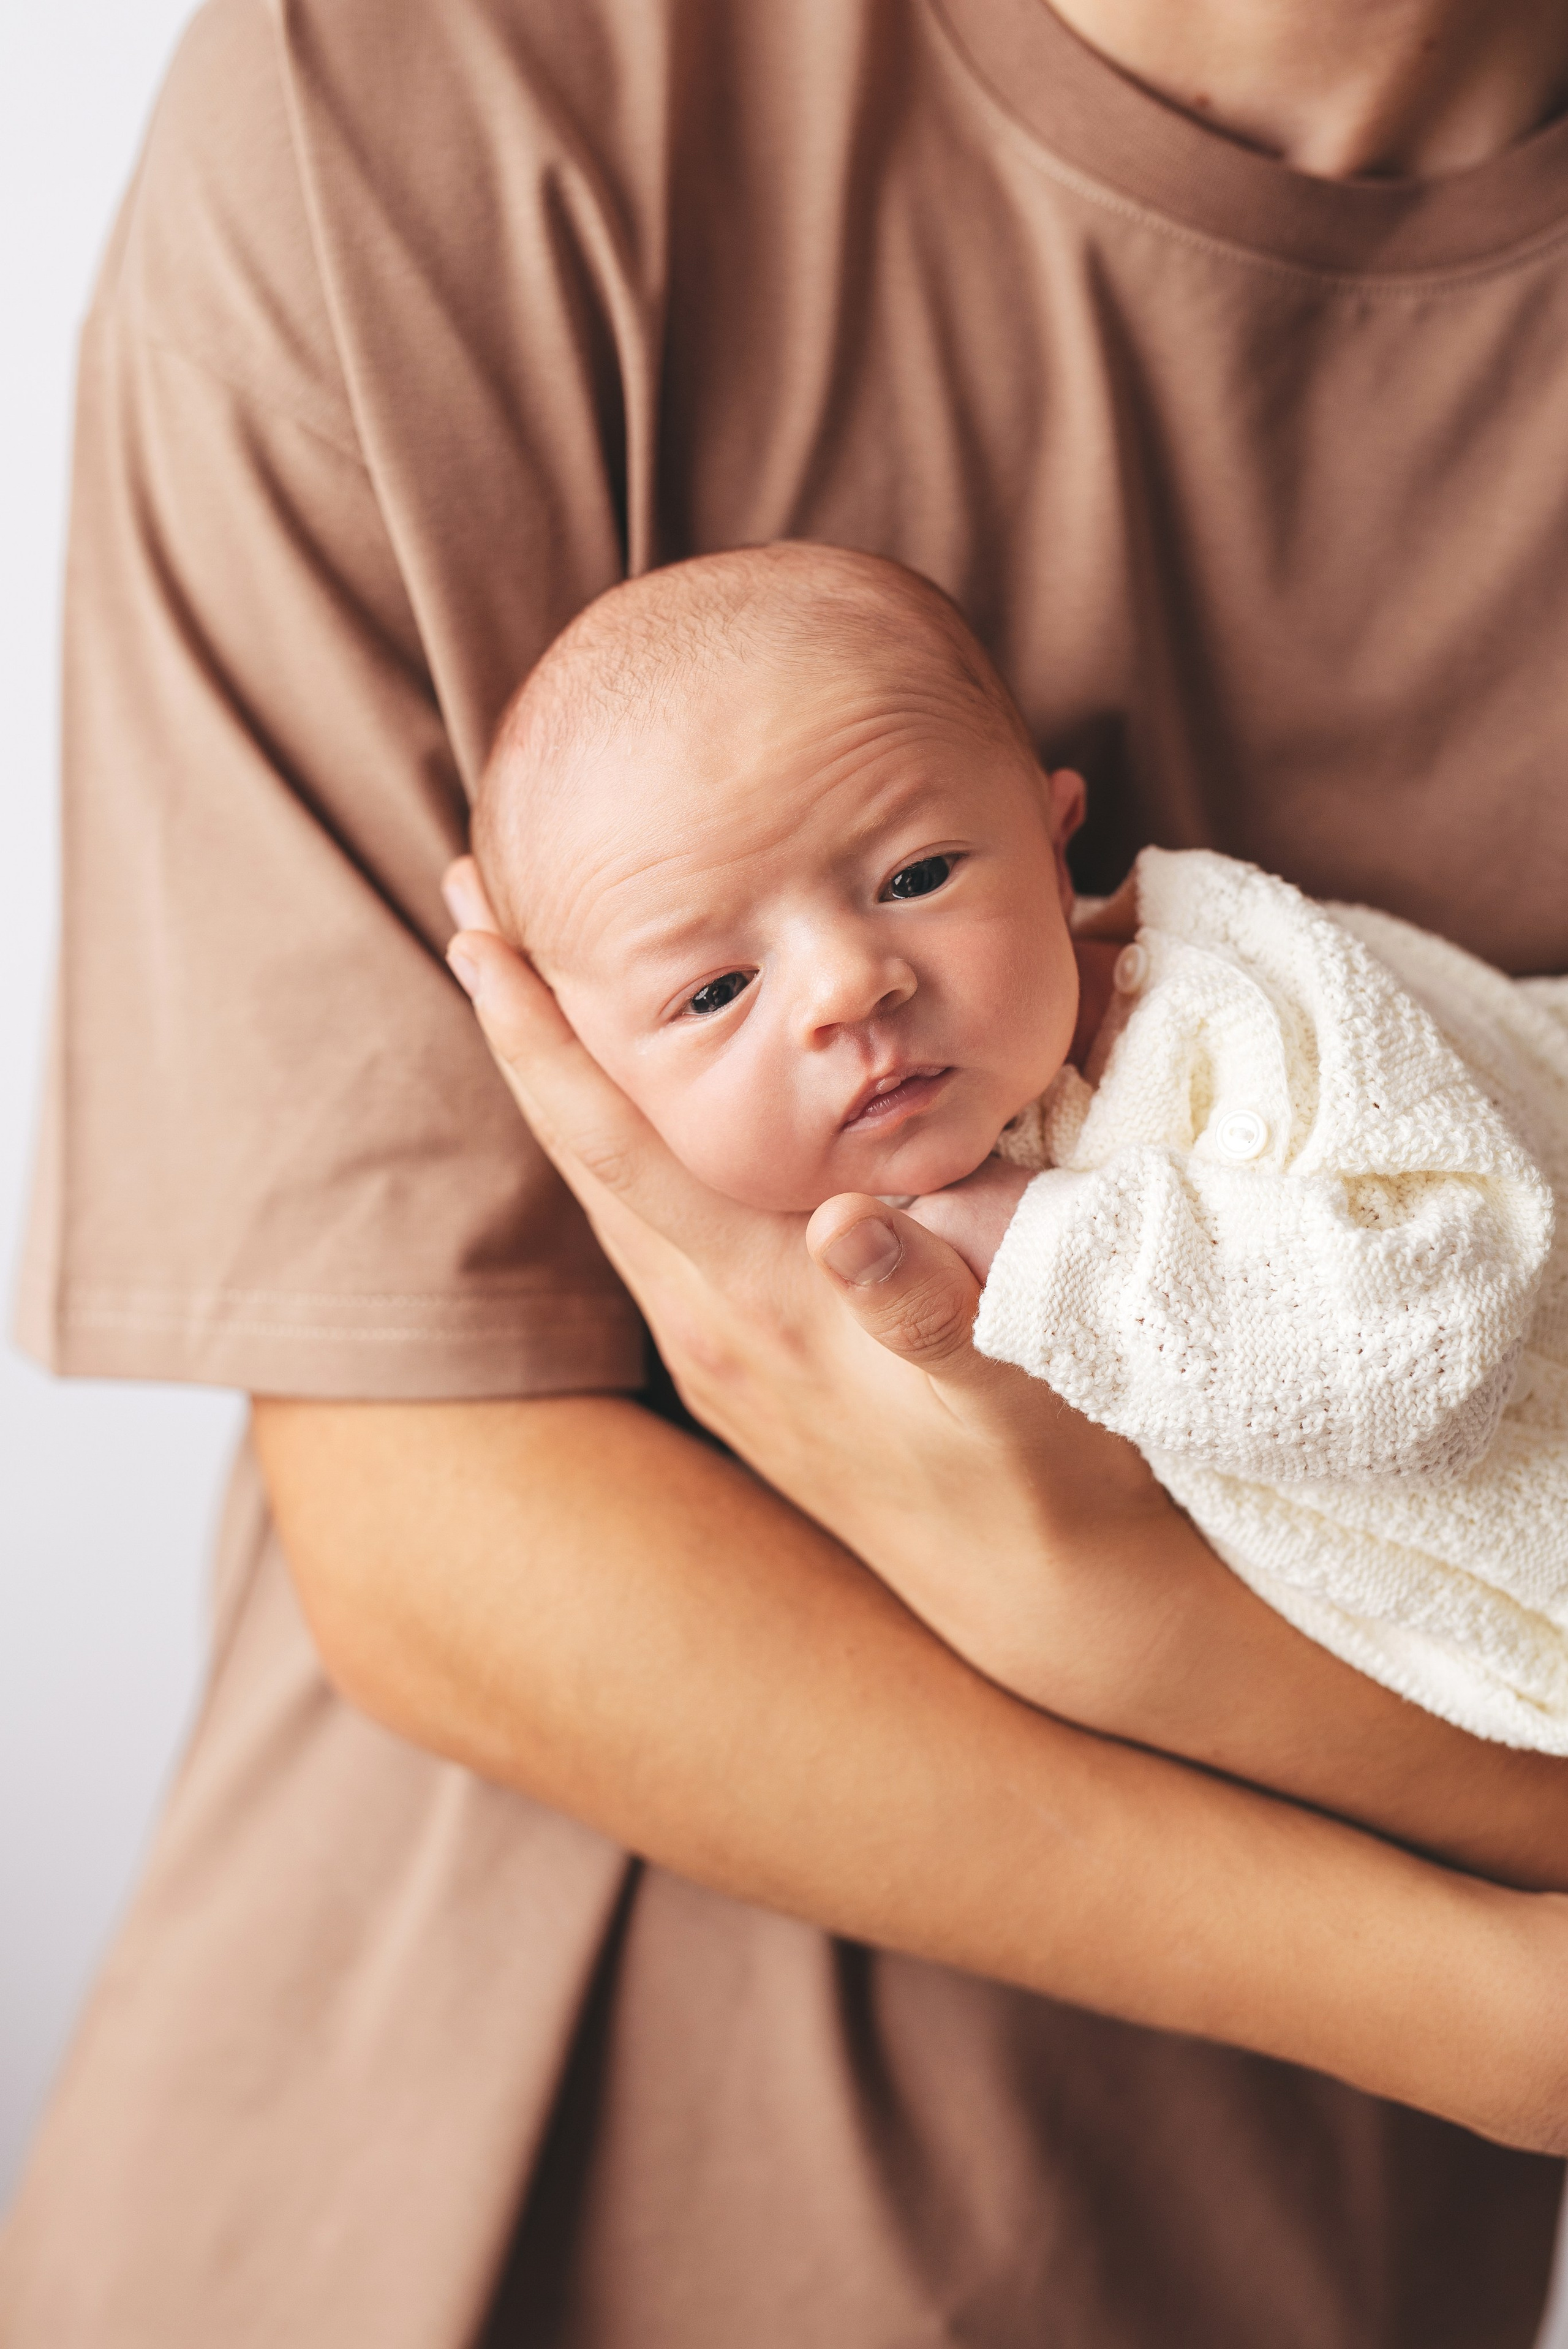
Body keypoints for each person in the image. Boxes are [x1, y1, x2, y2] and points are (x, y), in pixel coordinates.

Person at [8, 0, 1568, 2342]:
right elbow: (440, 1538)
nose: (848, 1001)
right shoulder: (444, 101)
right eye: (723, 986)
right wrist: (1480, 2006)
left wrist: (1086, 1571)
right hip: (398, 2199)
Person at [469, 540, 1568, 1752]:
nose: (845, 985)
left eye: (916, 873)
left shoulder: (1229, 1021)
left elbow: (1431, 1333)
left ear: (1055, 850)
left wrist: (1047, 1243)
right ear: (595, 1077)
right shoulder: (770, 1306)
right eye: (716, 989)